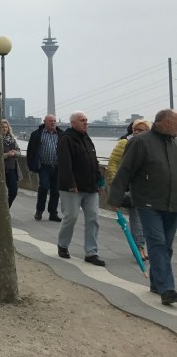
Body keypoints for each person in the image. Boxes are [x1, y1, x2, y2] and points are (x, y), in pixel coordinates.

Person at [109, 109, 177, 305]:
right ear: (166, 123)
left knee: (166, 246)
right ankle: (167, 289)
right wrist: (115, 198)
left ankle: (156, 283)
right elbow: (125, 170)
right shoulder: (140, 142)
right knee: (157, 244)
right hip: (148, 203)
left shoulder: (173, 143)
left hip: (172, 204)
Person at [56, 111, 105, 266]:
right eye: (82, 120)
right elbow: (65, 163)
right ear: (73, 123)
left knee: (93, 218)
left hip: (90, 186)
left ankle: (91, 252)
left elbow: (93, 161)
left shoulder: (86, 138)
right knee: (71, 216)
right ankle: (63, 245)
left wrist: (99, 181)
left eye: (86, 120)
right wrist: (71, 184)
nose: (86, 122)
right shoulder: (66, 139)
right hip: (72, 187)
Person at [106, 119, 150, 260]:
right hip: (130, 188)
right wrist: (115, 183)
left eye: (140, 130)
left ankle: (141, 247)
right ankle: (139, 248)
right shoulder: (124, 143)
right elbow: (113, 163)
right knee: (137, 219)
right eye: (134, 129)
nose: (136, 132)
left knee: (145, 220)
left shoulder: (150, 145)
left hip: (147, 188)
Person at [26, 114, 64, 222]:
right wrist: (30, 165)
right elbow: (30, 151)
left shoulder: (61, 134)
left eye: (54, 121)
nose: (53, 122)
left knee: (55, 191)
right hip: (44, 166)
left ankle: (53, 213)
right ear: (45, 122)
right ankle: (39, 210)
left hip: (57, 167)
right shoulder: (37, 134)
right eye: (50, 121)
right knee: (44, 186)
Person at [1, 119, 22, 207]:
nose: (4, 129)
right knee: (1, 193)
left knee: (13, 191)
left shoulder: (12, 140)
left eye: (6, 127)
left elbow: (19, 152)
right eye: (2, 127)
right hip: (1, 169)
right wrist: (7, 155)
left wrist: (14, 153)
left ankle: (6, 208)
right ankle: (2, 210)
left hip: (12, 169)